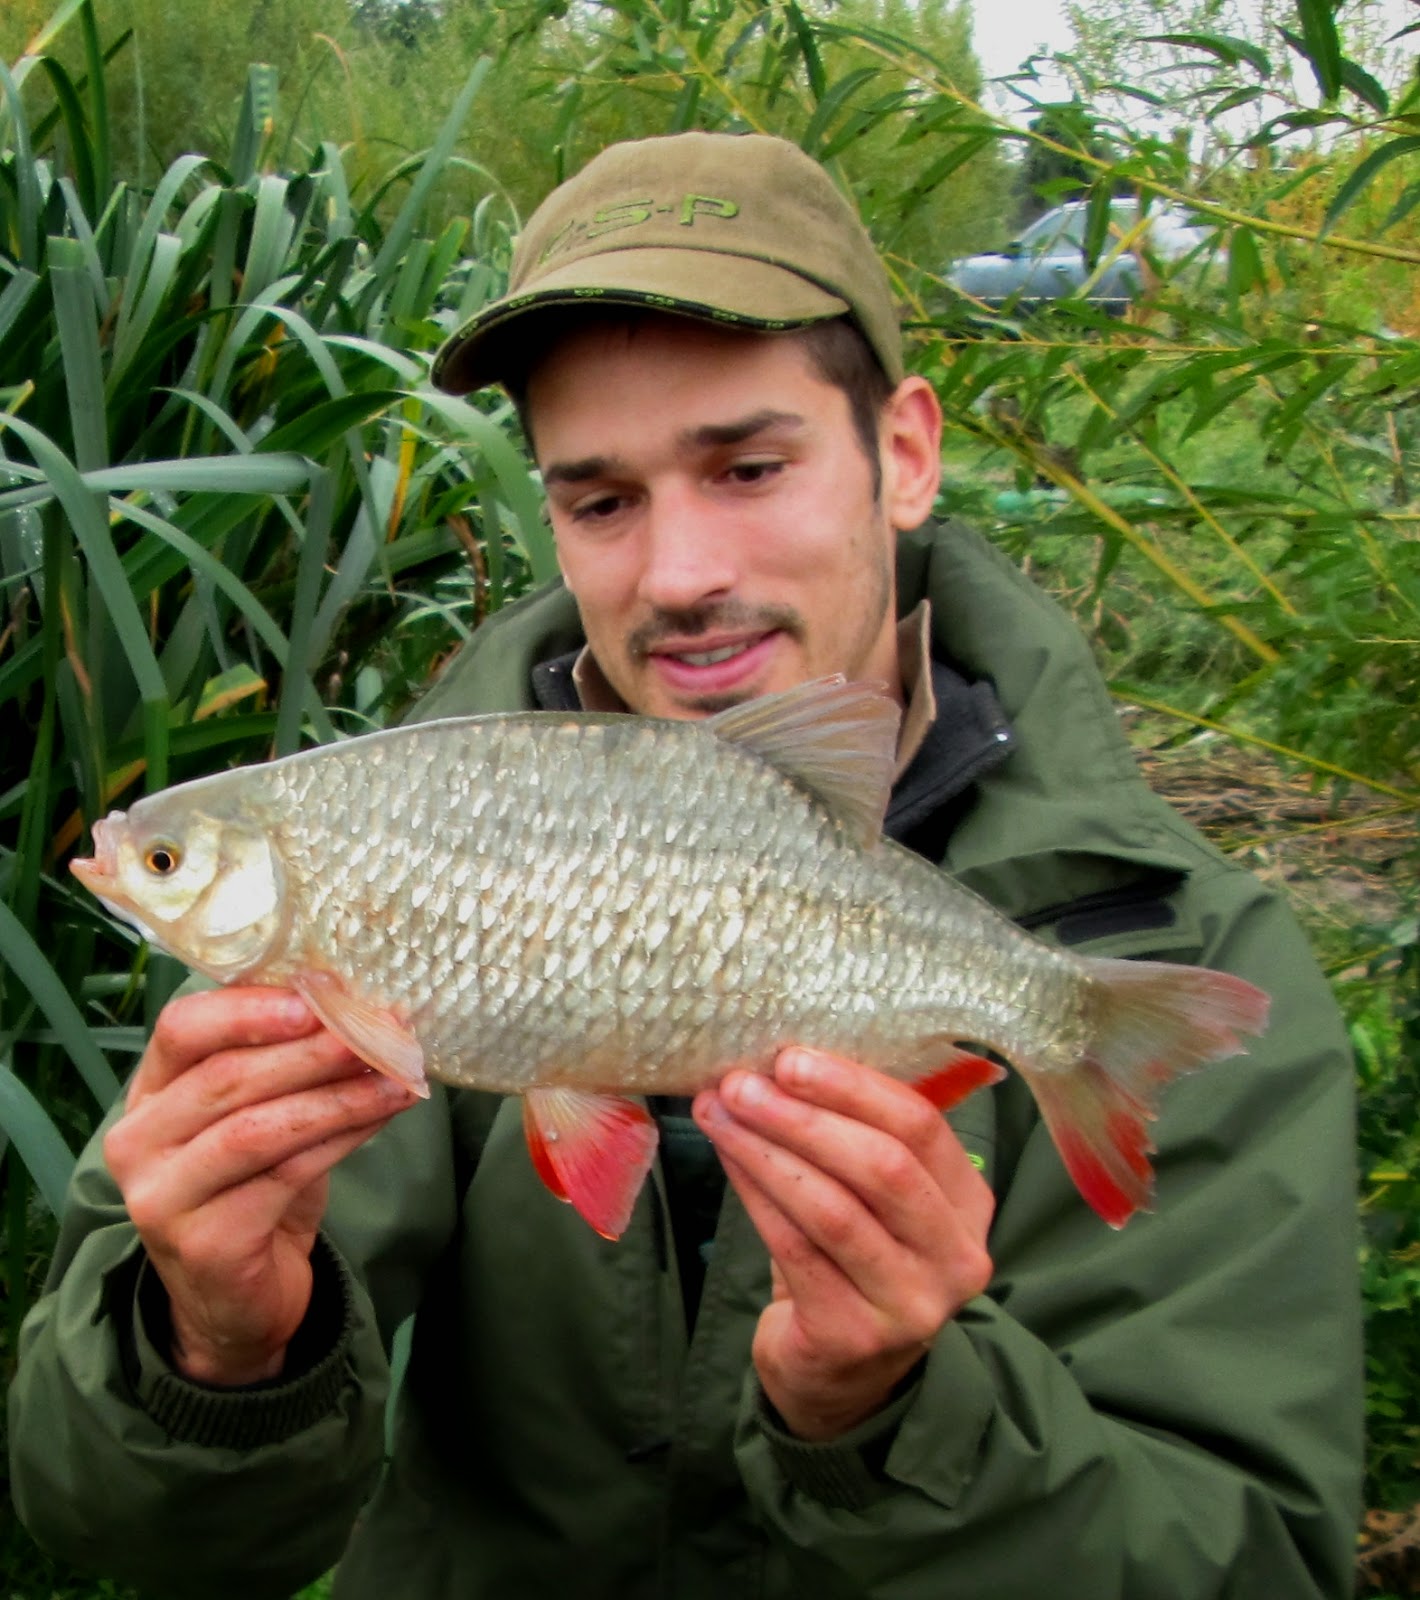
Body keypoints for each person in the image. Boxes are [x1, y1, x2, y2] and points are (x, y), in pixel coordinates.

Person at [9, 131, 1362, 1599]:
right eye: (601, 500)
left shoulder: (1197, 947)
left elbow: (1257, 1570)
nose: (678, 575)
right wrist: (211, 1344)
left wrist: (890, 1413)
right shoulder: (404, 862)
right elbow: (126, 1533)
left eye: (750, 466)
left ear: (905, 453)